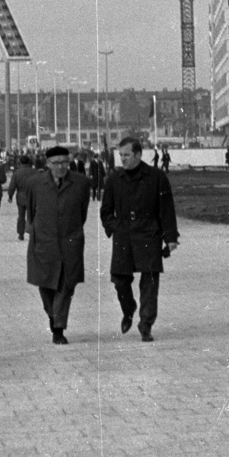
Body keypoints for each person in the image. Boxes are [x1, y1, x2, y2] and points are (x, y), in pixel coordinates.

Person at [100, 135, 179, 343]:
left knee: (150, 282)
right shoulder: (114, 180)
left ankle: (146, 324)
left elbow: (167, 209)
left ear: (138, 154)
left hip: (148, 234)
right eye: (121, 155)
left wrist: (170, 237)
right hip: (123, 235)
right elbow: (105, 210)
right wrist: (114, 227)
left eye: (127, 155)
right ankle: (129, 309)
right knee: (119, 280)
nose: (123, 159)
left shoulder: (156, 177)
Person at [26, 145, 91, 345]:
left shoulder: (81, 182)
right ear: (47, 164)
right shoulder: (35, 183)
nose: (61, 166)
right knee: (45, 286)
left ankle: (58, 328)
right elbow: (31, 211)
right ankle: (54, 316)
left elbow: (82, 213)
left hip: (69, 243)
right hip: (43, 244)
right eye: (56, 163)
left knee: (65, 286)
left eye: (65, 162)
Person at [6, 153, 35, 240]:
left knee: (21, 216)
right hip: (32, 196)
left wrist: (10, 196)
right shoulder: (34, 172)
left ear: (20, 162)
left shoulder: (17, 173)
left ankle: (21, 233)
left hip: (21, 196)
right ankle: (32, 231)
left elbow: (12, 186)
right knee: (32, 215)